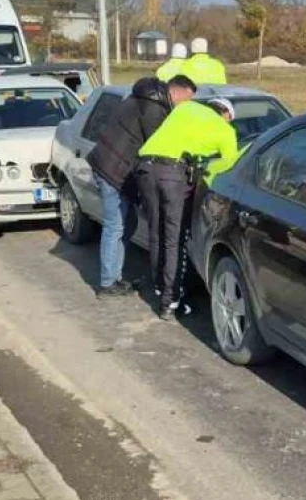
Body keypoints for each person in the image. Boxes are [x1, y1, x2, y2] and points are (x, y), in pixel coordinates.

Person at [136, 74, 240, 319]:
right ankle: (169, 303)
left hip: (144, 168)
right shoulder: (225, 131)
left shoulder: (186, 109)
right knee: (174, 239)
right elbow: (230, 171)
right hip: (172, 174)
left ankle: (160, 287)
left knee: (156, 233)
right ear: (226, 115)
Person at [85, 76, 171, 297]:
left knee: (127, 222)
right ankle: (106, 284)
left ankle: (115, 276)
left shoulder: (137, 99)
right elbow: (158, 144)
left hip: (109, 165)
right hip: (112, 170)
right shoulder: (153, 109)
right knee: (115, 226)